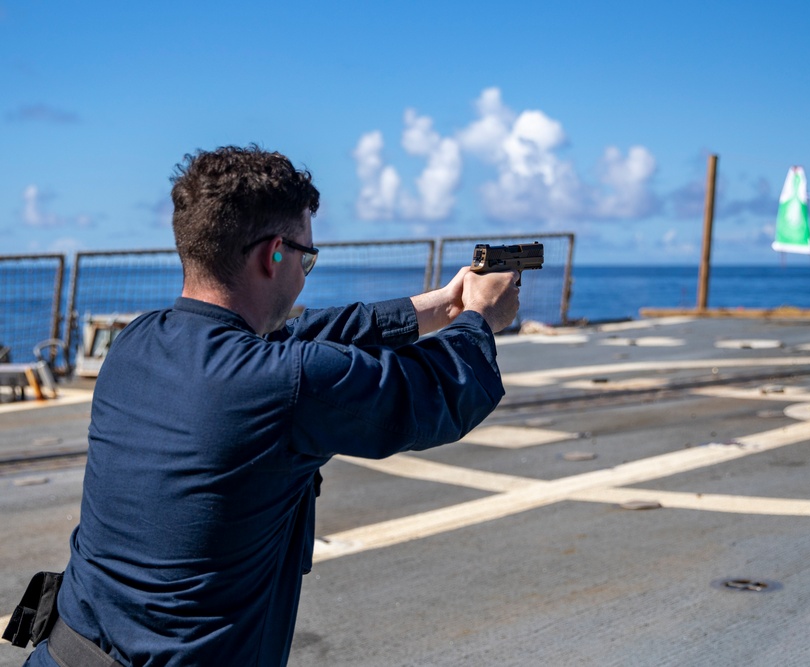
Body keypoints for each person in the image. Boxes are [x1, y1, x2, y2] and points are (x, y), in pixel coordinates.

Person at [22, 145, 520, 666]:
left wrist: (441, 306)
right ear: (273, 254)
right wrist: (481, 319)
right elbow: (440, 391)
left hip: (61, 652)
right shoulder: (285, 382)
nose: (306, 271)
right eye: (306, 257)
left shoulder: (136, 343)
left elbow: (299, 336)